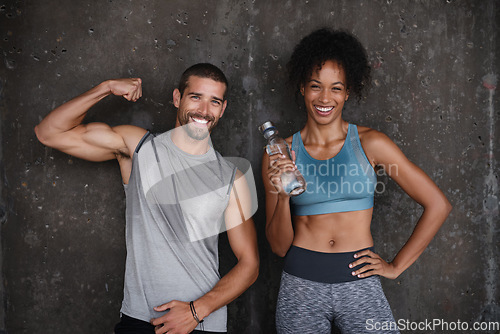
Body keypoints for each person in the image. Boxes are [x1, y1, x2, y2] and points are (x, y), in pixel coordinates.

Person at [35, 63, 259, 334]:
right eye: (195, 97)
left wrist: (195, 311)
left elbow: (249, 264)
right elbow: (48, 133)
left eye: (214, 102)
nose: (203, 110)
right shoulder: (138, 148)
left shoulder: (230, 178)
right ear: (177, 98)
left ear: (222, 110)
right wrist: (105, 87)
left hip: (202, 324)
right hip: (141, 320)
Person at [262, 28, 452, 334]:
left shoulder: (371, 143)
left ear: (348, 92)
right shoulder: (280, 153)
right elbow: (278, 246)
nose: (325, 98)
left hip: (360, 285)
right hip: (300, 286)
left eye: (336, 88)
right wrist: (284, 195)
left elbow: (438, 205)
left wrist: (395, 266)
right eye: (315, 86)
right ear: (302, 87)